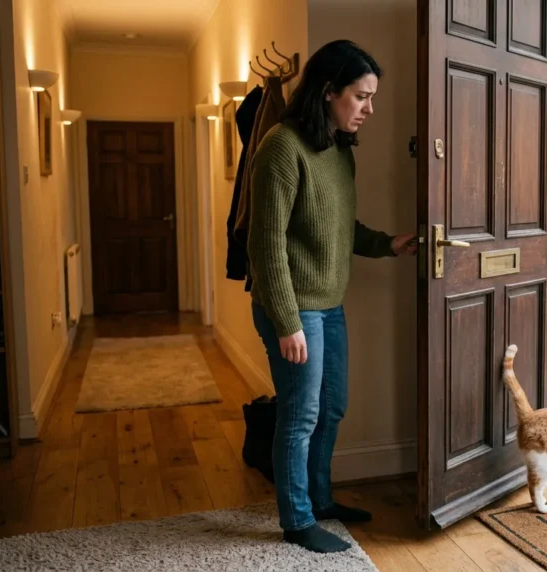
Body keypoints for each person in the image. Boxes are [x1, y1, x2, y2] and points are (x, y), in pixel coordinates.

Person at [246, 39, 417, 553]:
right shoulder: (281, 146)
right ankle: (296, 520)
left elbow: (341, 228)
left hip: (328, 303)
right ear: (328, 92)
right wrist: (286, 322)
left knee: (332, 407)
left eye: (371, 98)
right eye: (361, 97)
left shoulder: (339, 150)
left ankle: (320, 500)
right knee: (299, 415)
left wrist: (388, 244)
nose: (369, 109)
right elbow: (265, 244)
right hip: (293, 306)